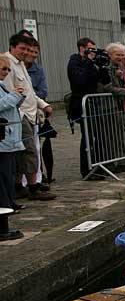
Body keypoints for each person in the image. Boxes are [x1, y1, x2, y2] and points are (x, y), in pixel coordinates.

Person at [1, 33, 55, 201]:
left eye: (29, 49)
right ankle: (32, 186)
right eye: (23, 49)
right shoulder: (7, 63)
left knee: (25, 151)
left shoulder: (22, 64)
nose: (26, 52)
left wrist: (42, 105)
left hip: (29, 113)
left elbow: (29, 91)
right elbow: (10, 93)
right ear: (13, 47)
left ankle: (21, 185)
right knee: (28, 151)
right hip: (19, 114)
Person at [67, 37, 101, 178]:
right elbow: (79, 80)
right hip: (81, 104)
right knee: (87, 137)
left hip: (94, 103)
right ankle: (86, 168)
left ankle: (96, 164)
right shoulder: (75, 61)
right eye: (90, 49)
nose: (93, 52)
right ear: (82, 48)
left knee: (97, 136)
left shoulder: (91, 63)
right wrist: (88, 62)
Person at [0, 56, 26, 234]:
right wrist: (14, 95)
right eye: (4, 69)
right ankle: (3, 227)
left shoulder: (2, 86)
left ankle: (8, 207)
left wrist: (18, 97)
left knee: (7, 178)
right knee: (3, 181)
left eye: (8, 69)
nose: (7, 72)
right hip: (3, 143)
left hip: (9, 141)